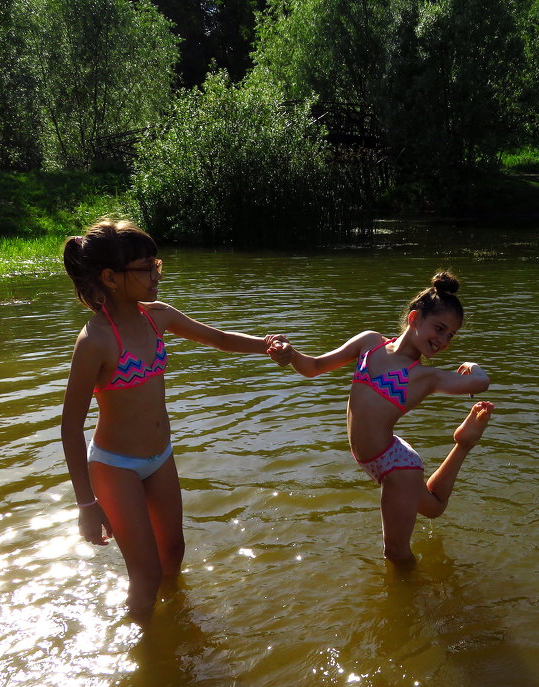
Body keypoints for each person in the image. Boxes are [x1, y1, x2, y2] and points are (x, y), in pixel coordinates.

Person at [60, 218, 289, 623]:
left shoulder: (158, 316)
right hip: (116, 466)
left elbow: (218, 338)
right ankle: (144, 656)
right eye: (145, 269)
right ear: (111, 278)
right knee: (145, 574)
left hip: (160, 457)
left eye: (156, 265)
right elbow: (70, 425)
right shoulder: (95, 340)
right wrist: (86, 504)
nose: (155, 276)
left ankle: (175, 631)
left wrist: (267, 345)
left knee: (173, 556)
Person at [267, 272, 494, 564]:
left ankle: (419, 606)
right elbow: (313, 367)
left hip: (395, 466)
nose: (443, 341)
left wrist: (471, 365)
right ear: (414, 319)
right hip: (380, 458)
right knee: (433, 507)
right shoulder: (369, 343)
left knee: (396, 554)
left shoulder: (424, 376)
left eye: (450, 335)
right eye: (439, 329)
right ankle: (464, 443)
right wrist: (290, 355)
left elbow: (481, 382)